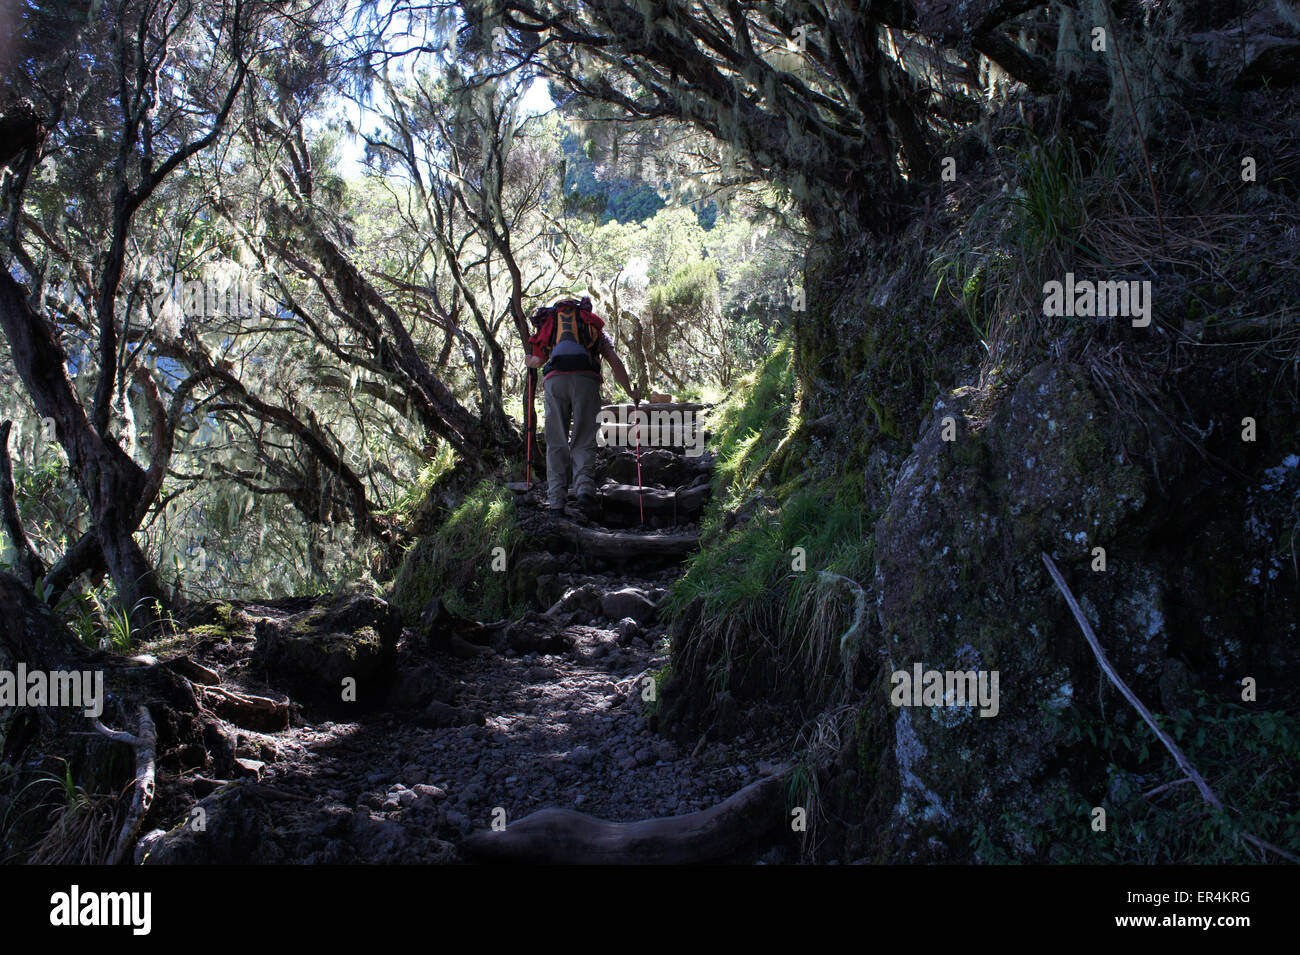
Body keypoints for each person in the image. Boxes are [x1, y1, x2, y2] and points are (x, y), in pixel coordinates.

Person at [525, 296, 638, 515]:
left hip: (555, 382)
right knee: (585, 437)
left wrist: (528, 360)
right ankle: (585, 488)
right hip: (586, 380)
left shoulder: (549, 324)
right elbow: (614, 359)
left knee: (556, 440)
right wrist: (629, 391)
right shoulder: (591, 324)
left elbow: (537, 362)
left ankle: (557, 500)